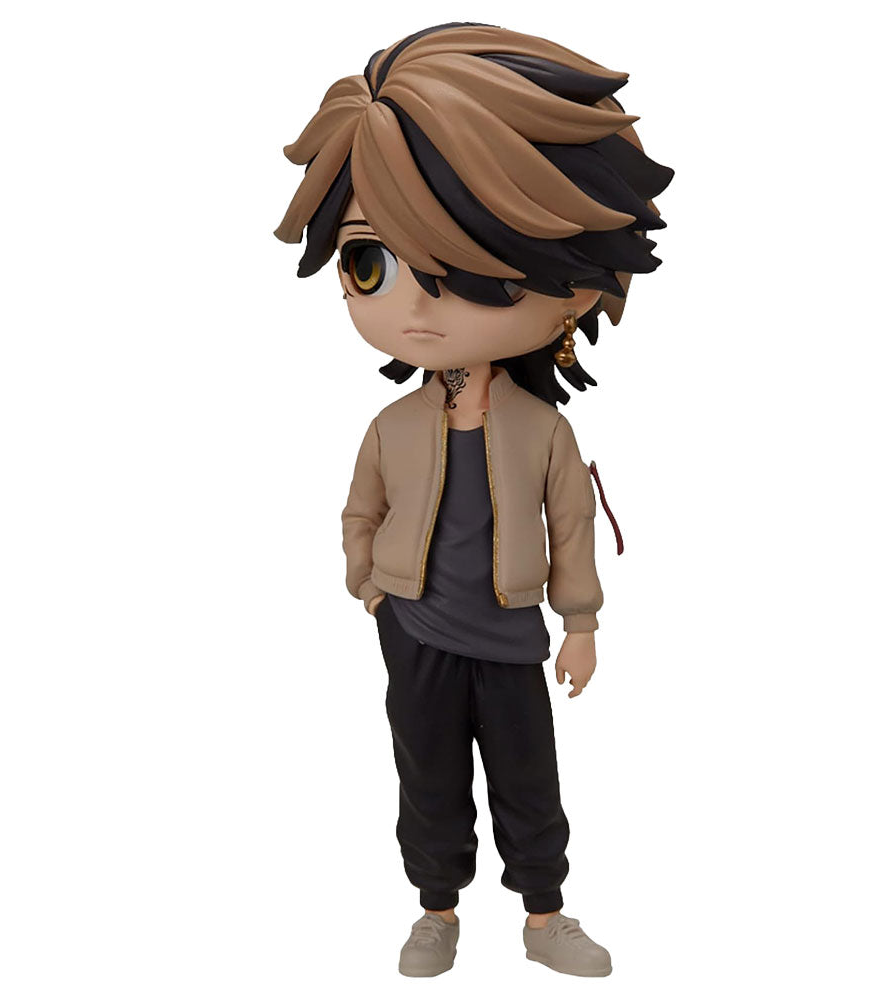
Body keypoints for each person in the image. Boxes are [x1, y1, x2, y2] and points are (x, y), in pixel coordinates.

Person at [274, 21, 672, 977]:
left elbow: (570, 525)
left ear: (573, 286)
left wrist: (582, 623)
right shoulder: (392, 428)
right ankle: (436, 909)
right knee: (428, 776)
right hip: (414, 626)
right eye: (370, 263)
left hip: (510, 634)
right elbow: (359, 510)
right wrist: (370, 585)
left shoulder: (542, 432)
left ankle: (544, 915)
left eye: (474, 272)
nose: (416, 309)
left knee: (529, 780)